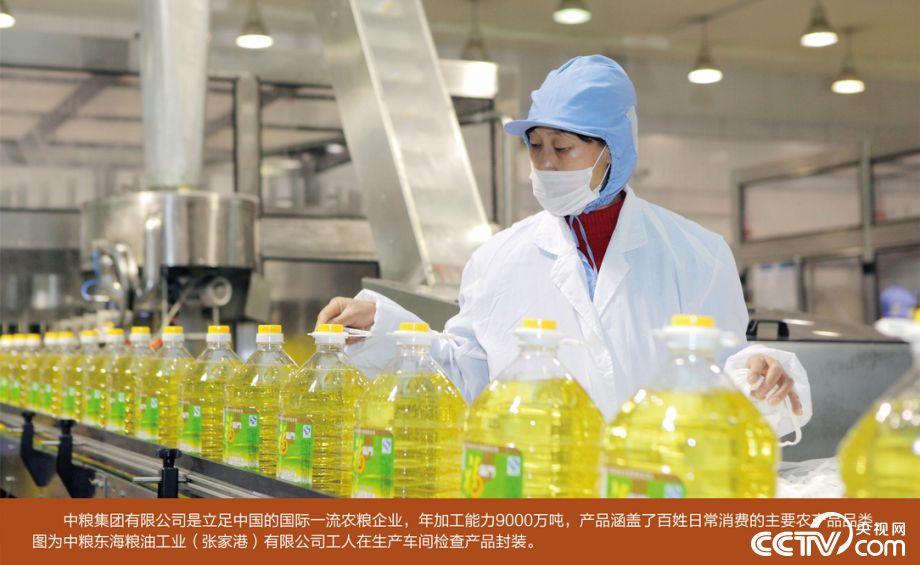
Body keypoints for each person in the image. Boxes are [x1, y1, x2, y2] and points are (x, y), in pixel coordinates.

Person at [318, 55, 811, 434]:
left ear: (612, 151)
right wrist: (382, 328)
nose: (546, 164)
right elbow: (468, 375)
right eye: (535, 146)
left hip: (655, 490)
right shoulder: (496, 259)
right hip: (537, 491)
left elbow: (727, 377)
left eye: (563, 147)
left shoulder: (696, 255)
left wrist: (762, 374)